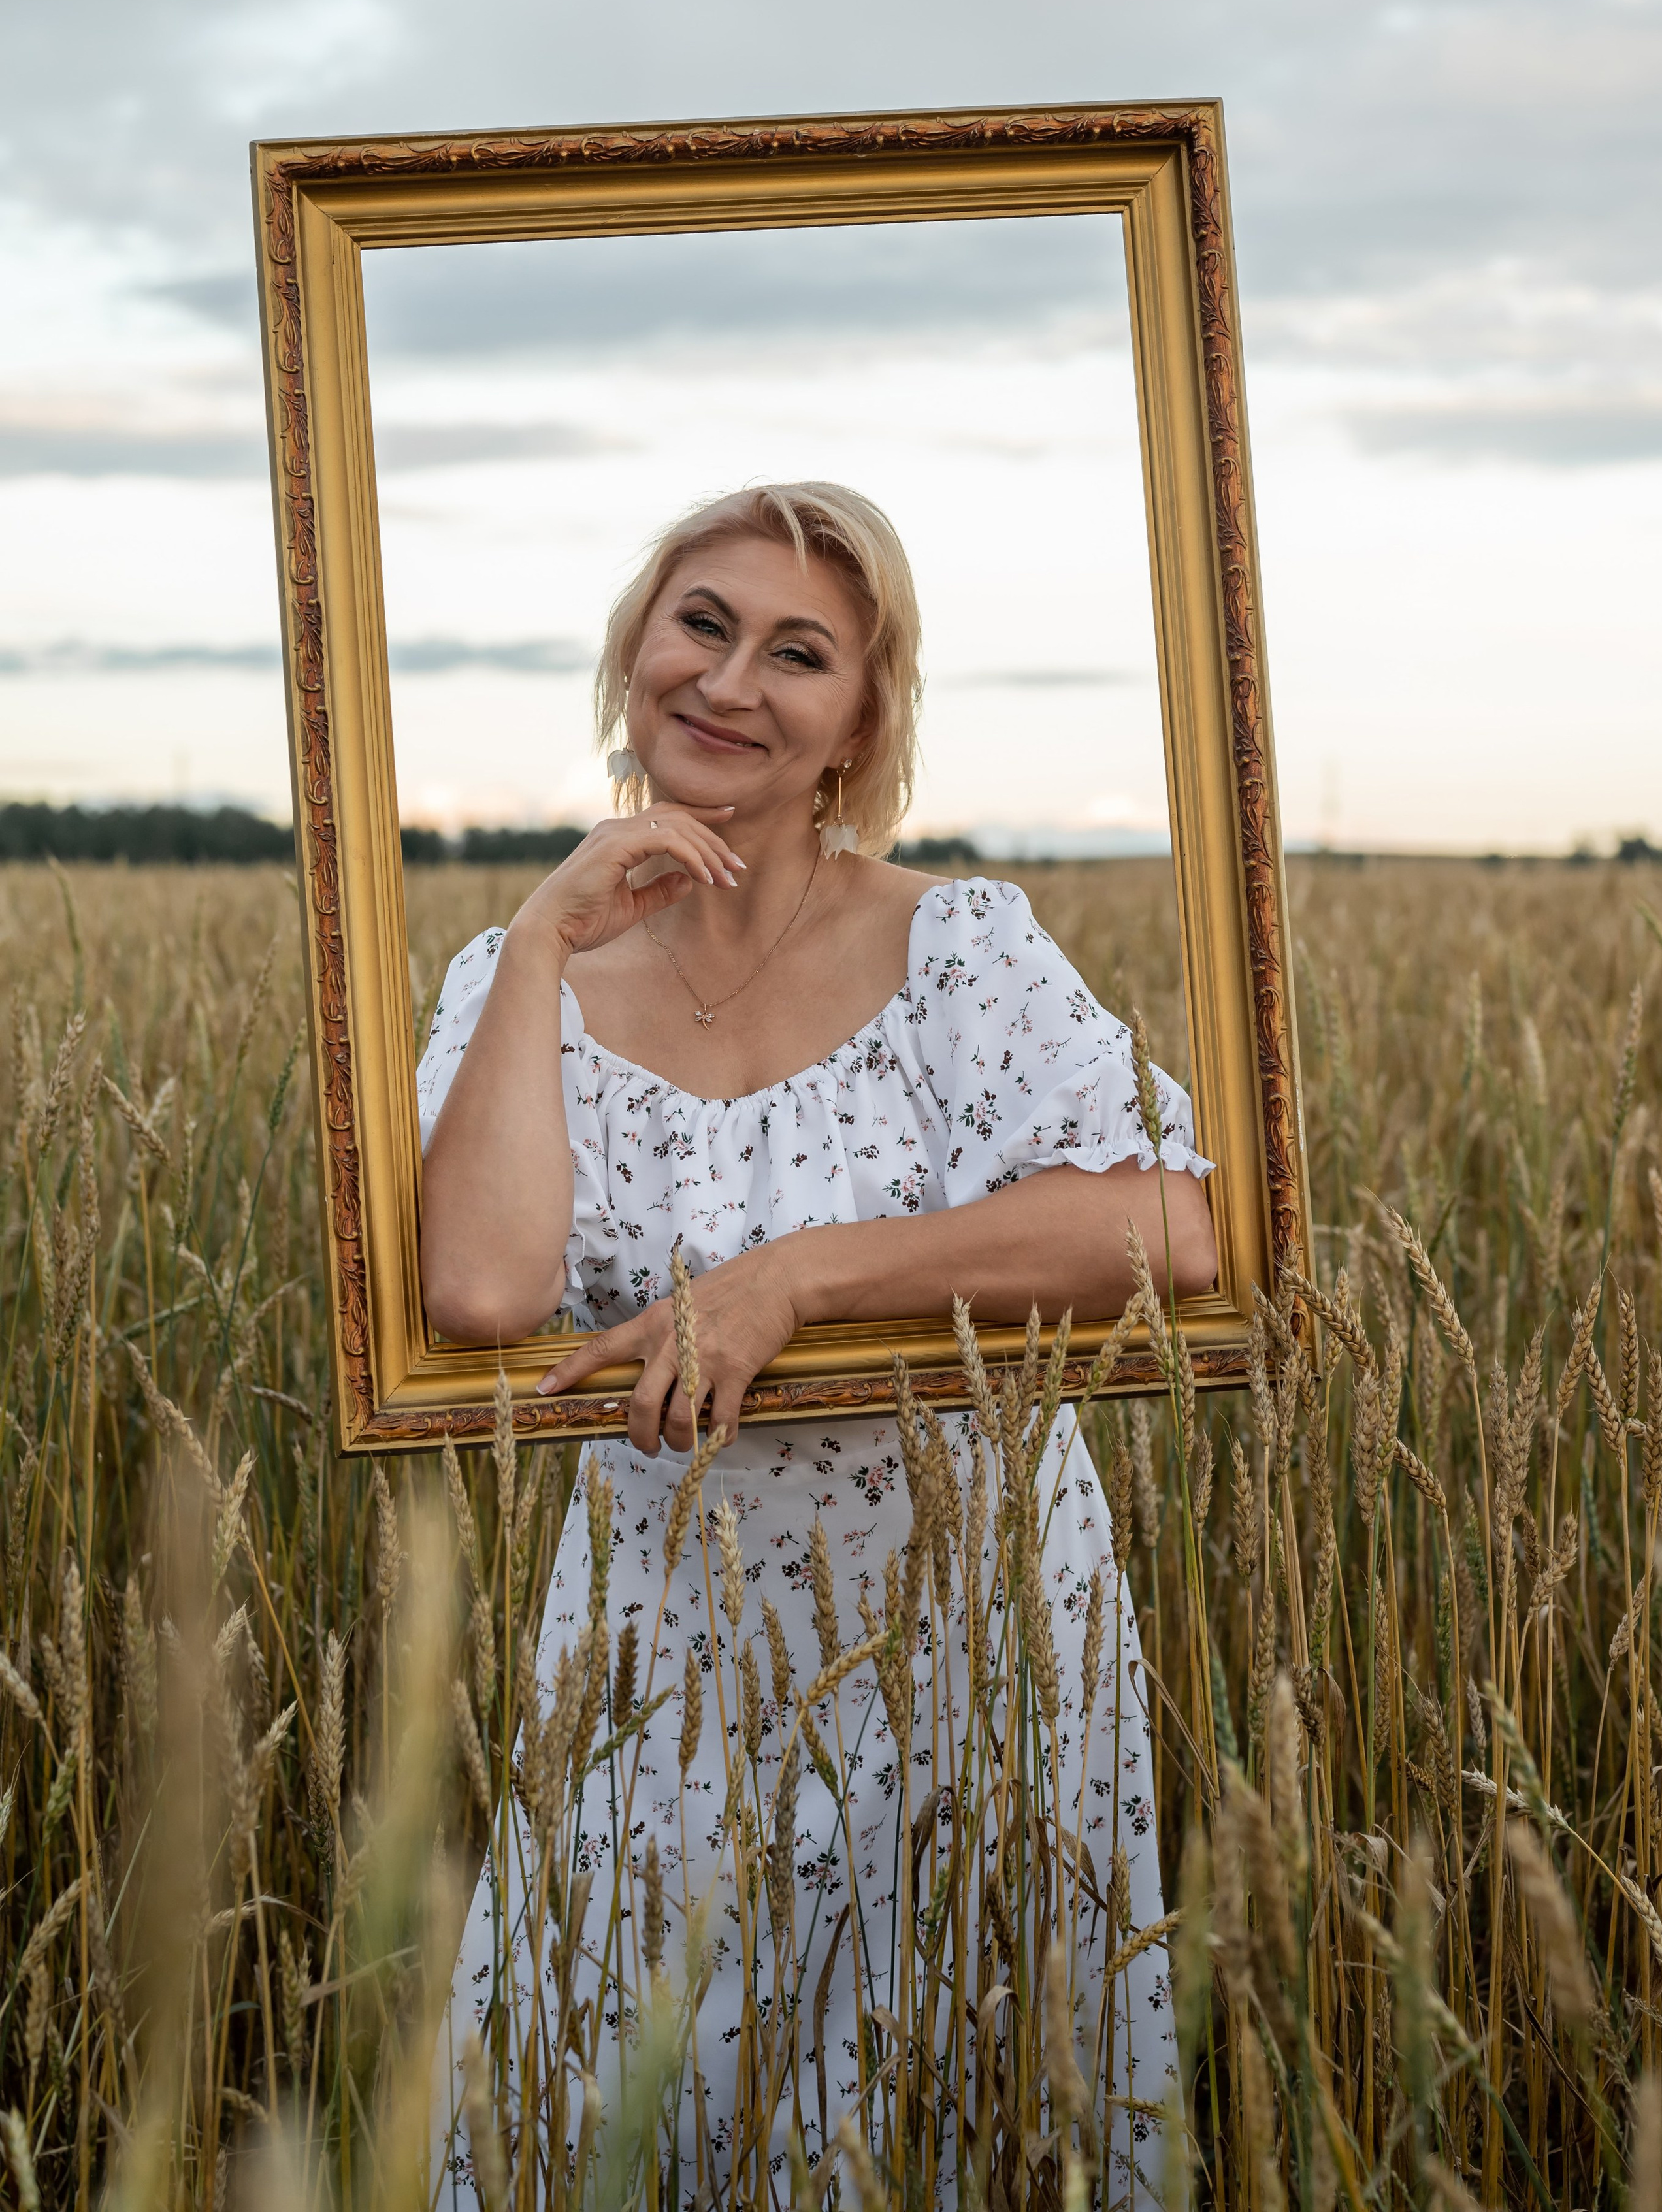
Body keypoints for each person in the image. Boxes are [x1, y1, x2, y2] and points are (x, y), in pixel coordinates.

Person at [419, 481, 1214, 2205]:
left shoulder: (959, 949)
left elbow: (1169, 1221)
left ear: (862, 718)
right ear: (637, 650)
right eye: (702, 621)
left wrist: (803, 1274)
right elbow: (483, 1292)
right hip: (655, 1647)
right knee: (614, 2096)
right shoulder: (513, 970)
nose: (733, 679)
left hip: (973, 1636)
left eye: (801, 652)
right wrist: (548, 941)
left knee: (954, 2094)